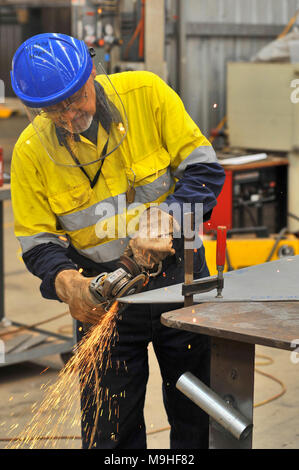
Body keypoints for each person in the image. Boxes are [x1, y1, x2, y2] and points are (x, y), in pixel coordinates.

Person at [10, 33, 225, 449]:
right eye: (54, 109)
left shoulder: (146, 94)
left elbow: (205, 171)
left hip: (180, 282)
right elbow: (37, 241)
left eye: (75, 99)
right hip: (102, 297)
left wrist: (166, 218)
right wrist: (68, 283)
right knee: (109, 432)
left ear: (92, 71)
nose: (69, 115)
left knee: (200, 415)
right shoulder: (30, 151)